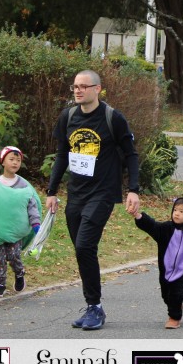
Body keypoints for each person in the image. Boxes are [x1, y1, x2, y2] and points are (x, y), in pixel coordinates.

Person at [46, 69, 141, 331]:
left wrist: (133, 189)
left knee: (85, 245)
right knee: (82, 249)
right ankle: (92, 306)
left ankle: (95, 307)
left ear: (97, 89)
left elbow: (131, 155)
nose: (78, 90)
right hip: (76, 193)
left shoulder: (113, 118)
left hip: (103, 193)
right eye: (75, 86)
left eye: (83, 86)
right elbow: (62, 155)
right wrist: (52, 191)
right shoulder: (68, 117)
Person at [0, 146, 42, 297]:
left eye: (18, 160)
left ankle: (19, 273)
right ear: (3, 161)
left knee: (14, 255)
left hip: (16, 232)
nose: (15, 162)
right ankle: (0, 284)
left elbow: (32, 207)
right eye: (11, 159)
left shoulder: (24, 186)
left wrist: (36, 224)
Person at [135, 198, 183, 329]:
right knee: (166, 295)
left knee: (176, 292)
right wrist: (138, 216)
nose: (177, 213)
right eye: (175, 210)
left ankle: (174, 318)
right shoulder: (166, 229)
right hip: (166, 269)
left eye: (182, 212)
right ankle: (176, 305)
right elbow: (151, 226)